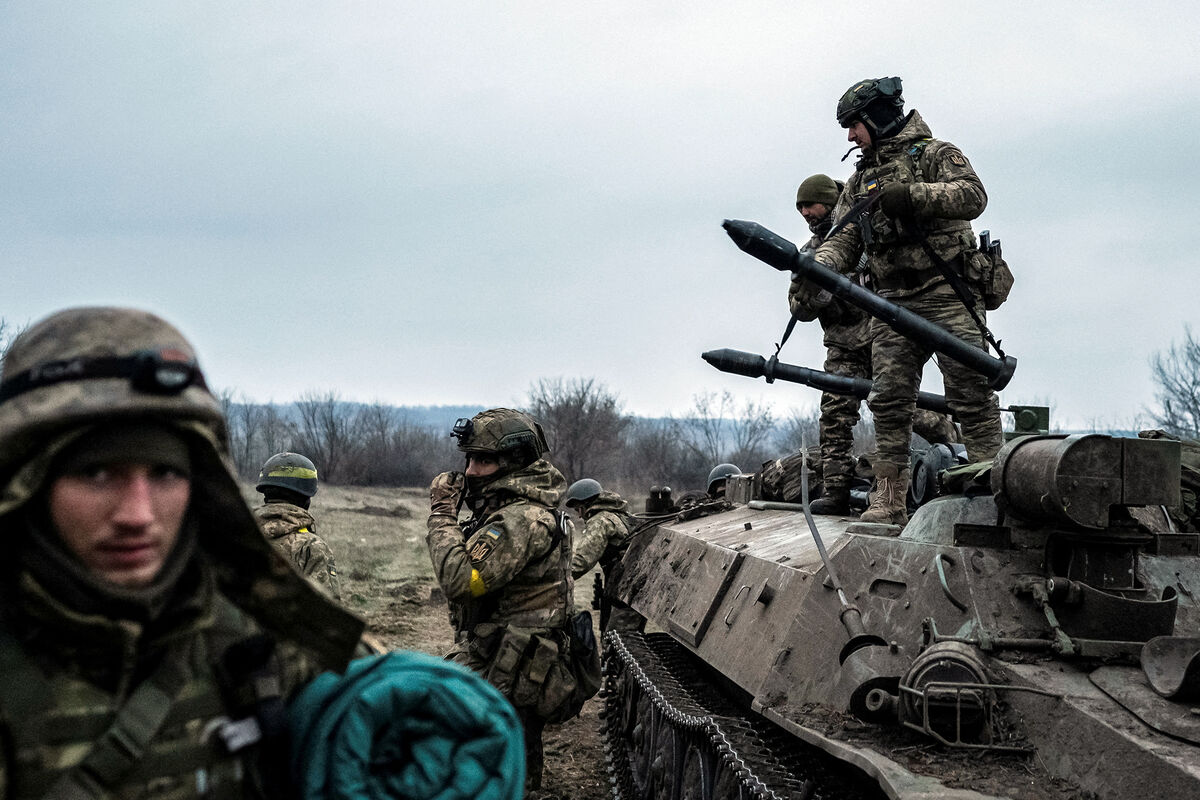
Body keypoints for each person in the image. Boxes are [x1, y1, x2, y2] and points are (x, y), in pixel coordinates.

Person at [0, 306, 362, 797]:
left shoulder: (264, 643)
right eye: (96, 473)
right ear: (28, 483)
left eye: (165, 473)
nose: (138, 514)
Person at [814, 76, 1003, 525]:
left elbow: (974, 196)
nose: (849, 136)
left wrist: (911, 196)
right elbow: (842, 240)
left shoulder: (936, 155)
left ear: (876, 119)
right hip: (892, 302)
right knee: (890, 400)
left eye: (854, 125)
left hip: (945, 292)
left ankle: (995, 491)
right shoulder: (861, 180)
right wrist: (814, 271)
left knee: (972, 393)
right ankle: (888, 498)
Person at [426, 408, 578, 794]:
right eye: (470, 459)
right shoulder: (512, 509)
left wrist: (442, 513)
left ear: (514, 463)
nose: (471, 471)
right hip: (502, 661)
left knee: (496, 770)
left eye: (484, 460)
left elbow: (461, 581)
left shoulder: (522, 519)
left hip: (508, 668)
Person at [789, 173, 873, 515]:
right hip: (843, 344)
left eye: (811, 205)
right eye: (801, 209)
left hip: (884, 336)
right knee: (835, 414)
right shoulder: (810, 253)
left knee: (908, 410)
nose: (807, 214)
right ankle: (836, 489)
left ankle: (957, 454)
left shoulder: (864, 234)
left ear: (830, 201)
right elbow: (798, 308)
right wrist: (816, 294)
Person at [254, 451, 341, 600]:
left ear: (266, 494)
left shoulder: (240, 533)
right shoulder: (312, 547)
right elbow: (329, 612)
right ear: (306, 499)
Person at [565, 478, 643, 633]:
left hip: (624, 587)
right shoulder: (618, 514)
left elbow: (582, 561)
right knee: (630, 638)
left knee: (615, 639)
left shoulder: (600, 520)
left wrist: (557, 579)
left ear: (585, 504)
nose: (579, 516)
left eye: (578, 509)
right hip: (634, 586)